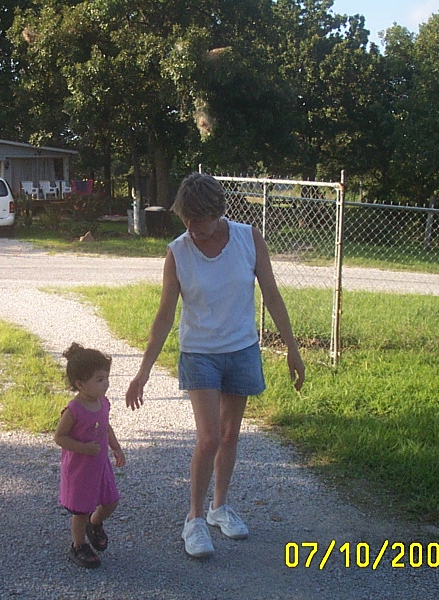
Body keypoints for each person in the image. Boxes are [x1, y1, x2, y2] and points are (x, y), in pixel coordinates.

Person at [125, 172, 305, 558]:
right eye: (186, 219)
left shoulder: (247, 238)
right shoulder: (178, 251)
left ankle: (219, 508)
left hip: (241, 350)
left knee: (229, 436)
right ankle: (193, 520)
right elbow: (164, 316)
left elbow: (272, 295)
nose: (192, 228)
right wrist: (143, 371)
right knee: (208, 438)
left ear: (218, 212)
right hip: (200, 353)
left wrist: (292, 348)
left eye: (199, 220)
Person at [54, 343, 126, 568]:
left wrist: (116, 448)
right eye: (99, 379)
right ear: (80, 384)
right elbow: (60, 437)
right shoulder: (74, 410)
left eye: (106, 378)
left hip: (100, 465)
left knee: (111, 501)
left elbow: (106, 427)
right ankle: (78, 545)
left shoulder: (103, 403)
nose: (106, 384)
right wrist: (83, 448)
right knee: (81, 510)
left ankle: (94, 524)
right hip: (80, 469)